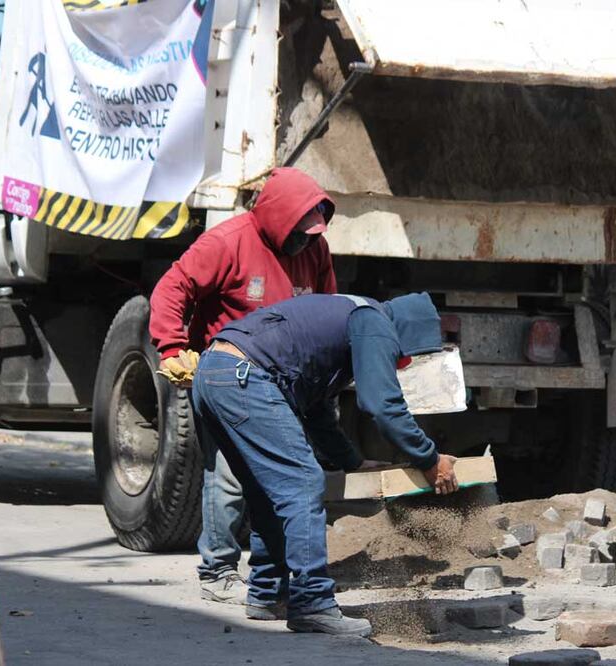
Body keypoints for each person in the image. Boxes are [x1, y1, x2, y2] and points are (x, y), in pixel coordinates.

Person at [191, 292, 459, 636]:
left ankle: (268, 593)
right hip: (245, 377)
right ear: (406, 333)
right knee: (303, 483)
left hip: (214, 373)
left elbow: (316, 411)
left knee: (265, 491)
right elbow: (382, 405)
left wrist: (352, 461)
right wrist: (430, 458)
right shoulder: (375, 321)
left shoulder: (351, 317)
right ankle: (312, 603)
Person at [149, 167, 338, 607]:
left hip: (282, 383)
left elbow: (326, 310)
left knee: (279, 477)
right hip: (227, 378)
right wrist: (172, 346)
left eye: (313, 233)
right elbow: (172, 288)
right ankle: (217, 569)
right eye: (299, 232)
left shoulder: (316, 251)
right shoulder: (227, 242)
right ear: (277, 217)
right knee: (230, 475)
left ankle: (268, 579)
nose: (305, 241)